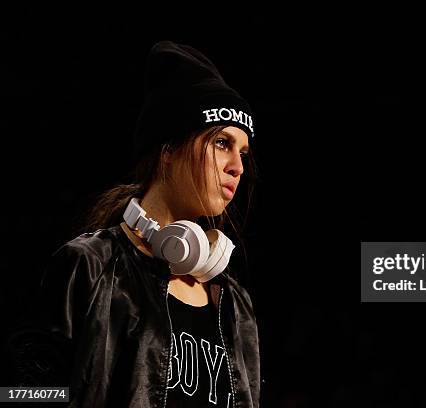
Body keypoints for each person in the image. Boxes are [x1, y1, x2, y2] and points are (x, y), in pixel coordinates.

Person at [8, 41, 260, 407]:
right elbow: (23, 396)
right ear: (168, 150)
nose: (237, 166)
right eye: (221, 143)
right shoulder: (90, 266)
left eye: (243, 153)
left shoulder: (236, 302)